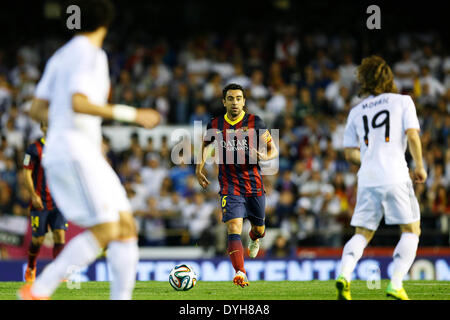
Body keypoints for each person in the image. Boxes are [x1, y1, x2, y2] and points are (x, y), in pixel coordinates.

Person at [18, 0, 160, 300]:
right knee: (108, 228)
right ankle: (38, 290)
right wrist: (133, 115)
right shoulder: (91, 55)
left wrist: (69, 125)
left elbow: (36, 109)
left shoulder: (61, 55)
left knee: (125, 226)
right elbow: (78, 102)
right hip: (74, 152)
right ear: (107, 23)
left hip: (81, 150)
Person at [336, 56, 427, 300]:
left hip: (367, 177)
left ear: (364, 81)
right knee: (411, 230)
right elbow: (412, 135)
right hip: (396, 173)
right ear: (388, 78)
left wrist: (370, 159)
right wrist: (419, 165)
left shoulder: (356, 112)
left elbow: (349, 152)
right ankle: (396, 283)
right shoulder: (403, 101)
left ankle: (344, 274)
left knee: (362, 233)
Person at [195, 83, 278, 287]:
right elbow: (206, 145)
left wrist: (264, 156)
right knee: (233, 226)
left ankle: (254, 237)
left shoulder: (255, 122)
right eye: (230, 98)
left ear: (244, 101)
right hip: (229, 184)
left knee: (259, 229)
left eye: (238, 98)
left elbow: (273, 149)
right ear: (224, 102)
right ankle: (240, 271)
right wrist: (199, 168)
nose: (234, 102)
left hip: (253, 184)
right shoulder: (214, 124)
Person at [22, 121, 68, 283]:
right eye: (47, 125)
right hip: (40, 202)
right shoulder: (33, 149)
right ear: (42, 128)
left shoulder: (63, 146)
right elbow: (26, 173)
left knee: (59, 235)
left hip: (59, 201)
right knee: (38, 240)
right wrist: (33, 195)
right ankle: (31, 267)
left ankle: (59, 273)